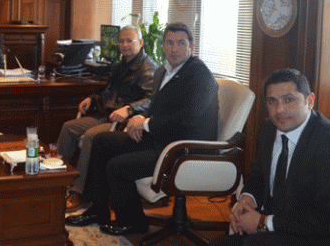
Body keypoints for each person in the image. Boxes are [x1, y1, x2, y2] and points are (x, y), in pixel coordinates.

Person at [66, 22, 219, 236]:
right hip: (161, 139)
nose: (174, 48)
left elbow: (188, 118)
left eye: (181, 43)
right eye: (170, 43)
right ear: (163, 47)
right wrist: (140, 120)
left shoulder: (199, 75)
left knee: (117, 166)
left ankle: (133, 222)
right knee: (102, 141)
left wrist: (146, 124)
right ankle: (98, 210)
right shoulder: (164, 71)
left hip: (182, 150)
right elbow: (159, 109)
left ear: (191, 47)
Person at [212, 69, 330, 246]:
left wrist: (262, 221)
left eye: (288, 100)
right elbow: (259, 171)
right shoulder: (268, 129)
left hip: (326, 235)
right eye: (272, 101)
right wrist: (248, 198)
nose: (279, 109)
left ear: (310, 101)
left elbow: (329, 220)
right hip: (280, 225)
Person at [57, 25, 157, 211]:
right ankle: (56, 181)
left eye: (129, 41)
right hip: (106, 115)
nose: (124, 45)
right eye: (121, 41)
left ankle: (80, 193)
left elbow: (152, 100)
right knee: (68, 127)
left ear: (140, 42)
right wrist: (92, 98)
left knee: (91, 136)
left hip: (123, 123)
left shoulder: (148, 68)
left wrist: (129, 108)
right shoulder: (120, 65)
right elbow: (108, 91)